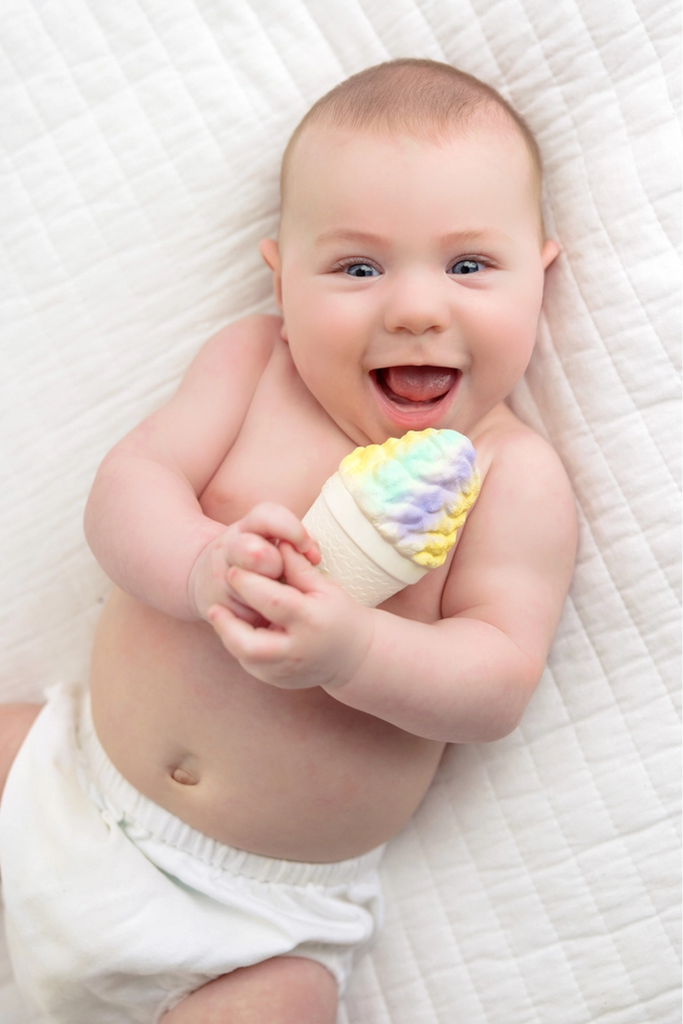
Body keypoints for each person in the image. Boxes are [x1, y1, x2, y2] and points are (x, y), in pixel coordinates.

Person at [0, 58, 576, 1023]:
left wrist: (354, 652)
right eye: (358, 268)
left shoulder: (511, 477)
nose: (415, 308)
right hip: (61, 781)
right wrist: (198, 565)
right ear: (280, 278)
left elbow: (495, 683)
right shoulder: (250, 365)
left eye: (469, 266)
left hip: (254, 925)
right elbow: (128, 488)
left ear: (540, 275)